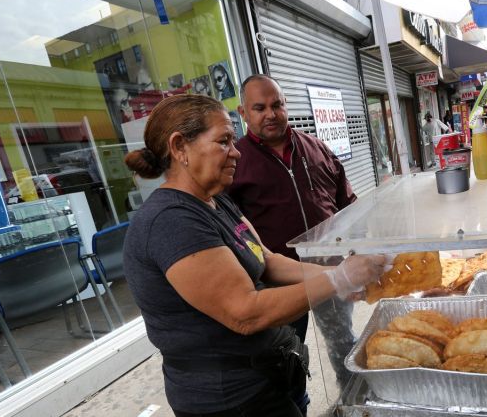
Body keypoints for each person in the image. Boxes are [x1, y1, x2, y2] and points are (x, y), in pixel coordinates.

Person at [122, 94, 390, 417]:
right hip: (231, 400)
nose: (235, 151)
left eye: (232, 140)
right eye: (223, 141)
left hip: (270, 377)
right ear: (180, 147)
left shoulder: (216, 201)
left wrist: (344, 275)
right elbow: (245, 313)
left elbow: (267, 261)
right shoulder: (171, 221)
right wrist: (339, 279)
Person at [227, 75, 359, 411]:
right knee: (286, 351)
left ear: (286, 107)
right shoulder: (235, 162)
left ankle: (355, 401)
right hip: (278, 281)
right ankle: (297, 406)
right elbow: (230, 230)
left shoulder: (316, 147)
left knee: (343, 342)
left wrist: (358, 250)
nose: (270, 114)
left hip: (330, 271)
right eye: (259, 108)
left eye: (277, 105)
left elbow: (348, 204)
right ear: (244, 112)